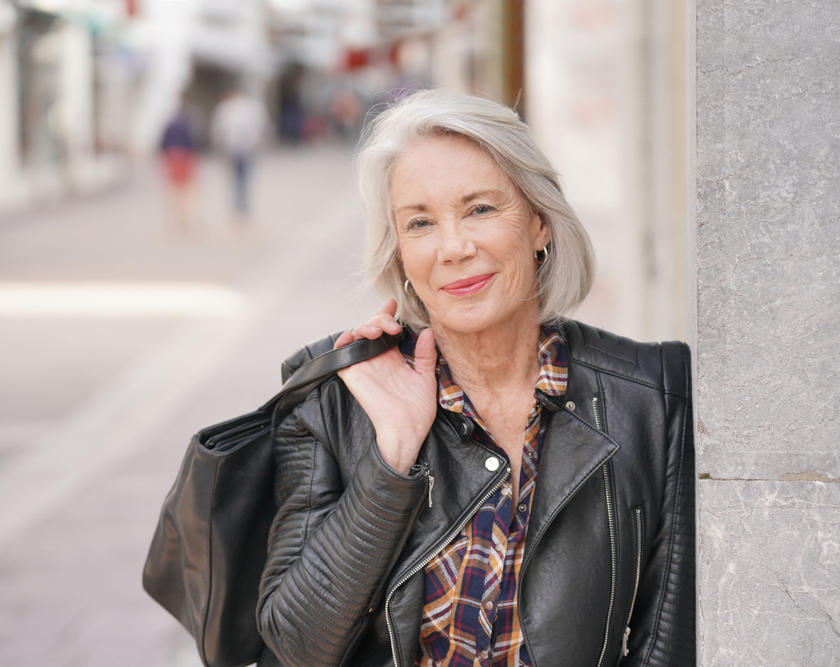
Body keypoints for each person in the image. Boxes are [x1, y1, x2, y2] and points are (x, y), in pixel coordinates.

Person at [255, 90, 695, 667]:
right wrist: (389, 463)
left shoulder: (652, 396)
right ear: (401, 254)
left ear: (539, 223)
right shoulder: (335, 398)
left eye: (480, 210)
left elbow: (669, 640)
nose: (454, 248)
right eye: (420, 223)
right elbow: (295, 648)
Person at [211, 87, 269, 218]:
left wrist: (218, 147)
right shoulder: (253, 107)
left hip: (233, 148)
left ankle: (238, 205)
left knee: (235, 178)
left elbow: (218, 130)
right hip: (248, 147)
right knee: (246, 177)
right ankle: (244, 205)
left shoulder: (224, 108)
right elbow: (262, 126)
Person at [159, 103, 200, 235]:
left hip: (171, 156)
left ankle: (172, 219)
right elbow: (192, 142)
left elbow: (163, 143)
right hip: (184, 157)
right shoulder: (187, 125)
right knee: (184, 190)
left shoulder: (169, 125)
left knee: (171, 190)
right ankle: (182, 216)